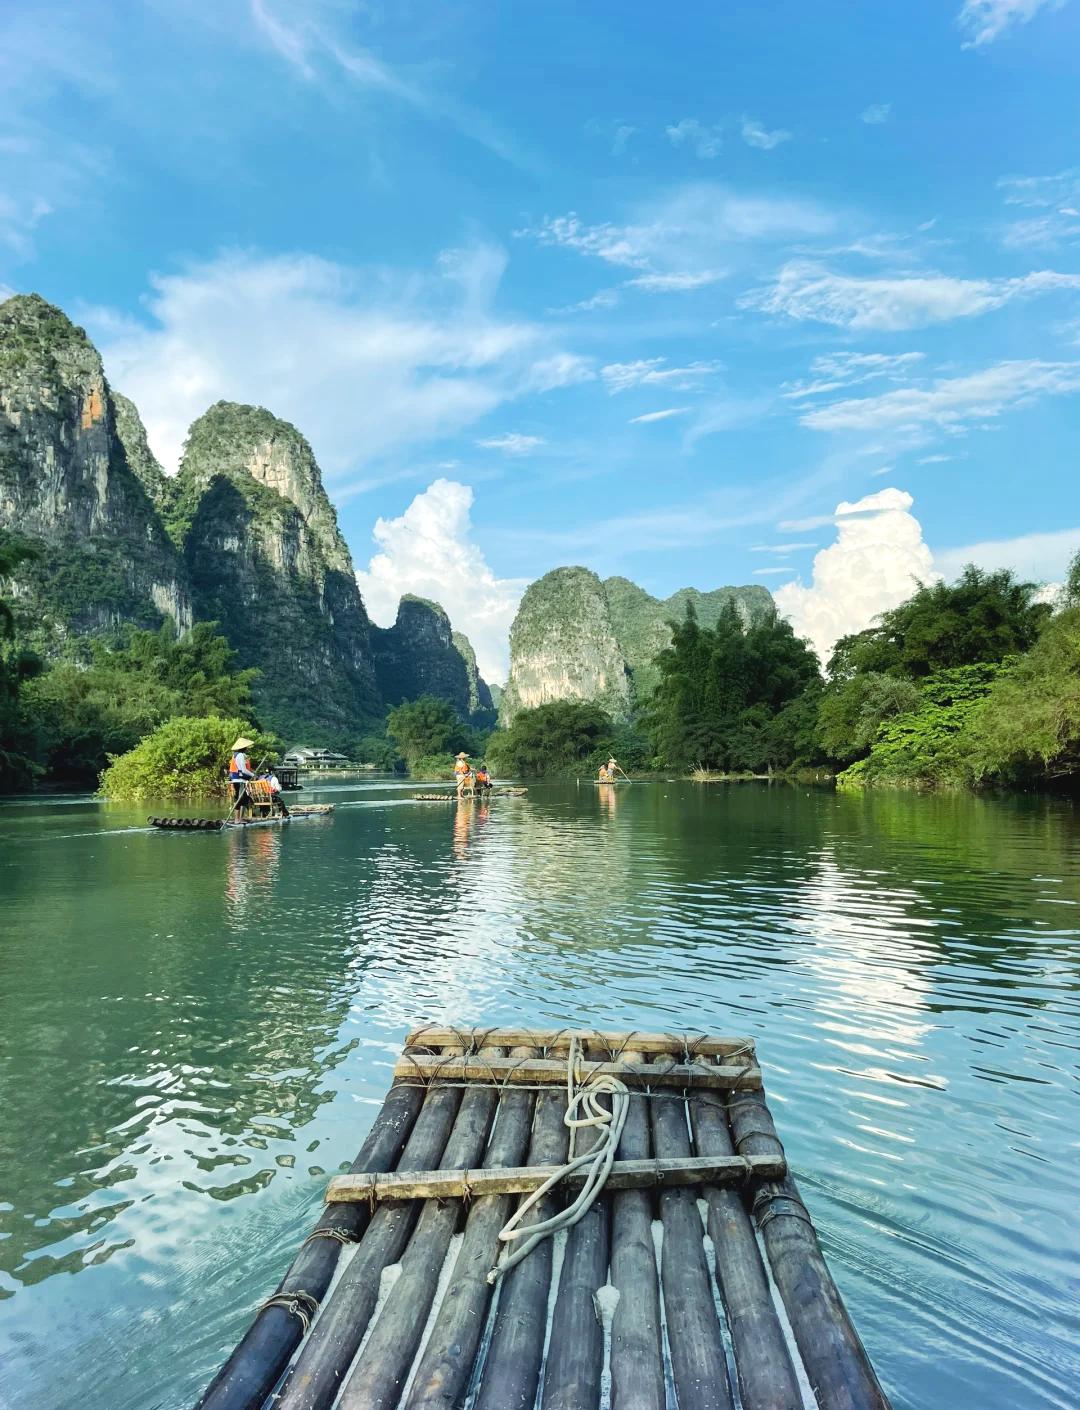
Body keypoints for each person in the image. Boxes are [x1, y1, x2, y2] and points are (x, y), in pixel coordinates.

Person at [229, 736, 256, 813]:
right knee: (239, 799)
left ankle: (240, 818)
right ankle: (237, 819)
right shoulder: (240, 755)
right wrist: (252, 775)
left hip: (238, 780)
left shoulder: (236, 754)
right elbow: (243, 770)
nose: (247, 748)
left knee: (242, 799)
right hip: (239, 780)